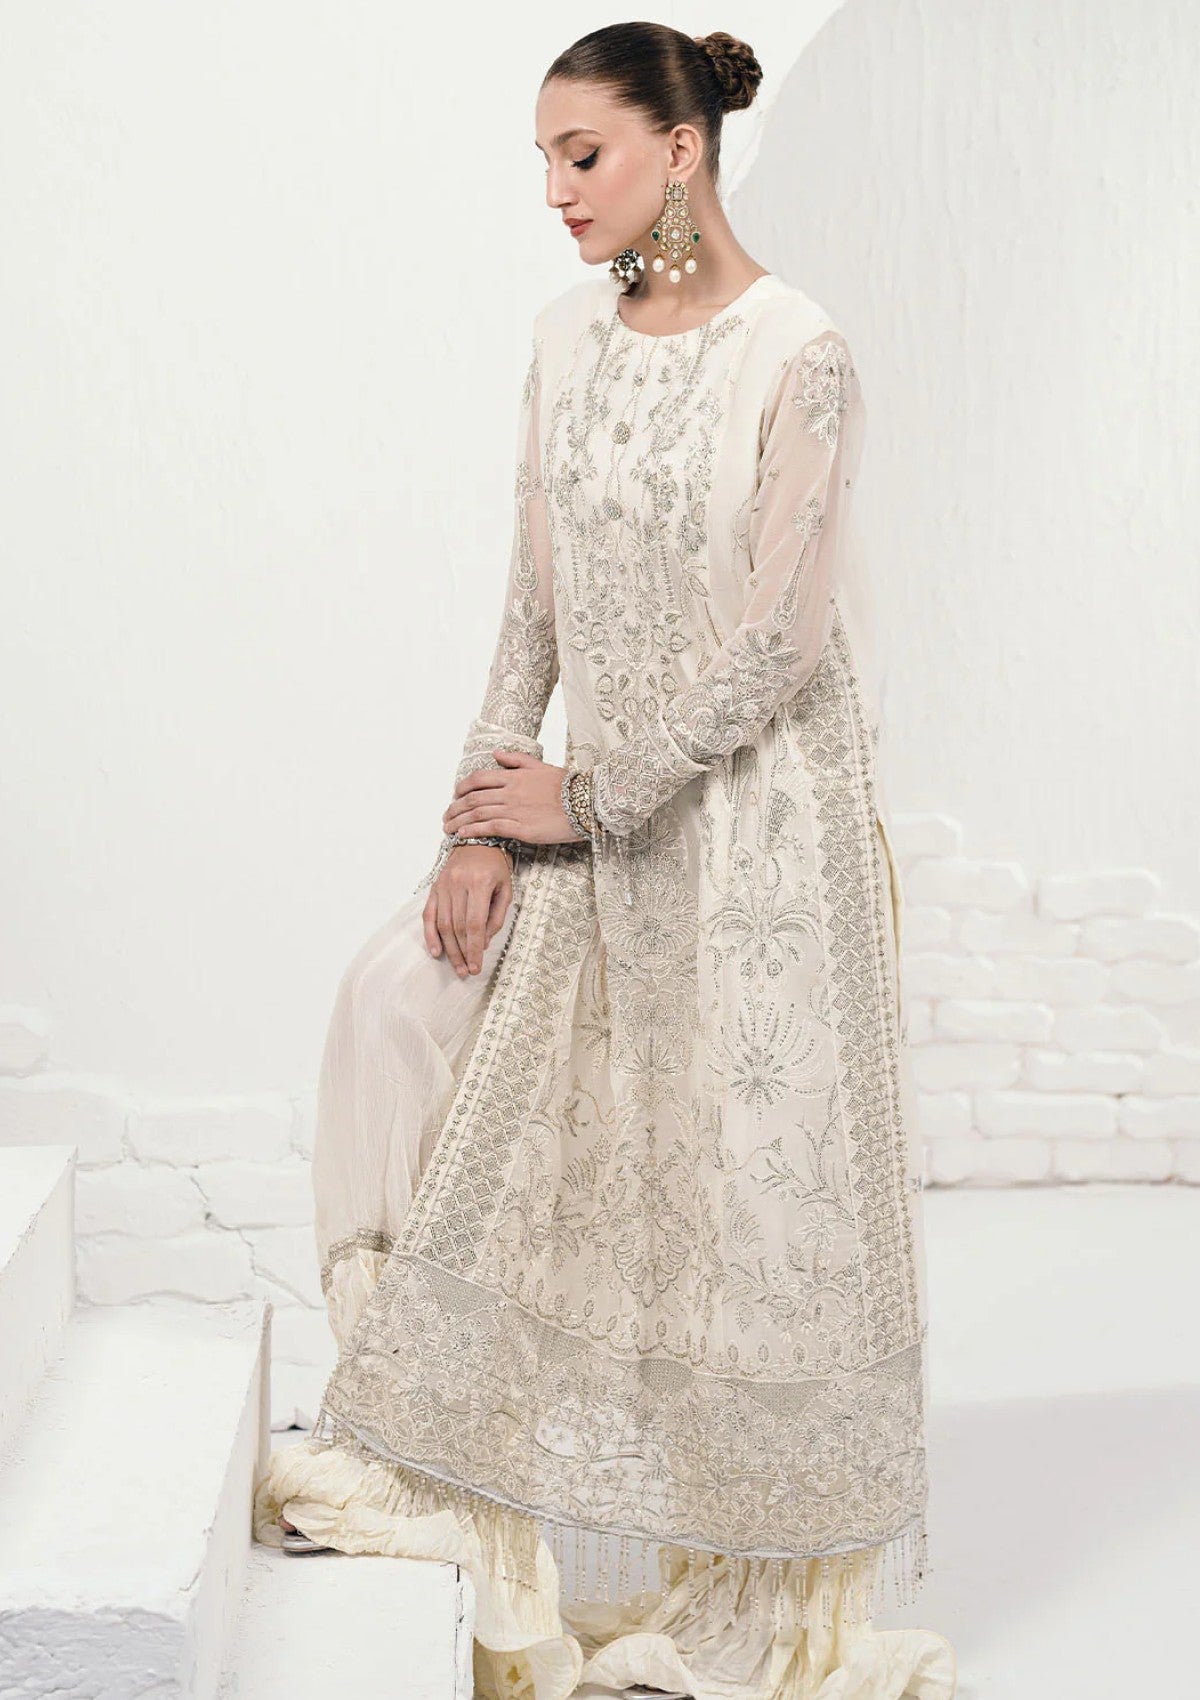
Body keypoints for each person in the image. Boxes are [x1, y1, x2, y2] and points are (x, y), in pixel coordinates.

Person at [252, 21, 958, 1700]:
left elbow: (782, 637)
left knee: (727, 1190)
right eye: (546, 162)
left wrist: (595, 795)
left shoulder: (800, 353)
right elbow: (534, 606)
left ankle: (748, 1573)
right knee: (397, 1006)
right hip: (583, 804)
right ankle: (457, 1457)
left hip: (756, 833)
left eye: (586, 155)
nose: (558, 193)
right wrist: (482, 821)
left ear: (682, 150)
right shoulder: (563, 342)